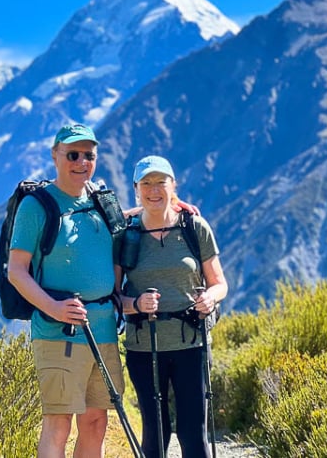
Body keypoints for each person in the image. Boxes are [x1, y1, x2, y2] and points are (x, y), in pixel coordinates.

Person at [7, 124, 123, 458]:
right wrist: (54, 308)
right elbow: (16, 270)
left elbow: (124, 226)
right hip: (60, 332)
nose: (81, 162)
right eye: (73, 154)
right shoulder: (36, 206)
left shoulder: (101, 203)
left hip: (102, 330)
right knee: (58, 424)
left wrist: (172, 204)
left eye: (89, 155)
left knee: (96, 422)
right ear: (55, 156)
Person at [119, 155, 228, 458]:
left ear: (173, 186)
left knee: (194, 433)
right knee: (156, 433)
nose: (154, 190)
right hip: (144, 347)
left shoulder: (194, 228)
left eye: (160, 182)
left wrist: (211, 297)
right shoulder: (127, 235)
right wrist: (137, 304)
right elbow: (114, 297)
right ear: (136, 188)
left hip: (192, 343)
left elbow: (220, 283)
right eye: (146, 183)